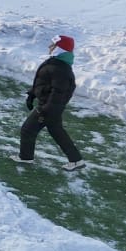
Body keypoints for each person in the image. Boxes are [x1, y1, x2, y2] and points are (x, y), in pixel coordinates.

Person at [13, 34, 85, 171]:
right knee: (57, 132)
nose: (49, 47)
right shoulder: (55, 63)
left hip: (48, 108)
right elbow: (43, 83)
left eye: (53, 45)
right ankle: (76, 160)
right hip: (50, 107)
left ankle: (26, 157)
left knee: (27, 130)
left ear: (60, 49)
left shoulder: (61, 69)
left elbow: (58, 93)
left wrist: (45, 110)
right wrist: (32, 94)